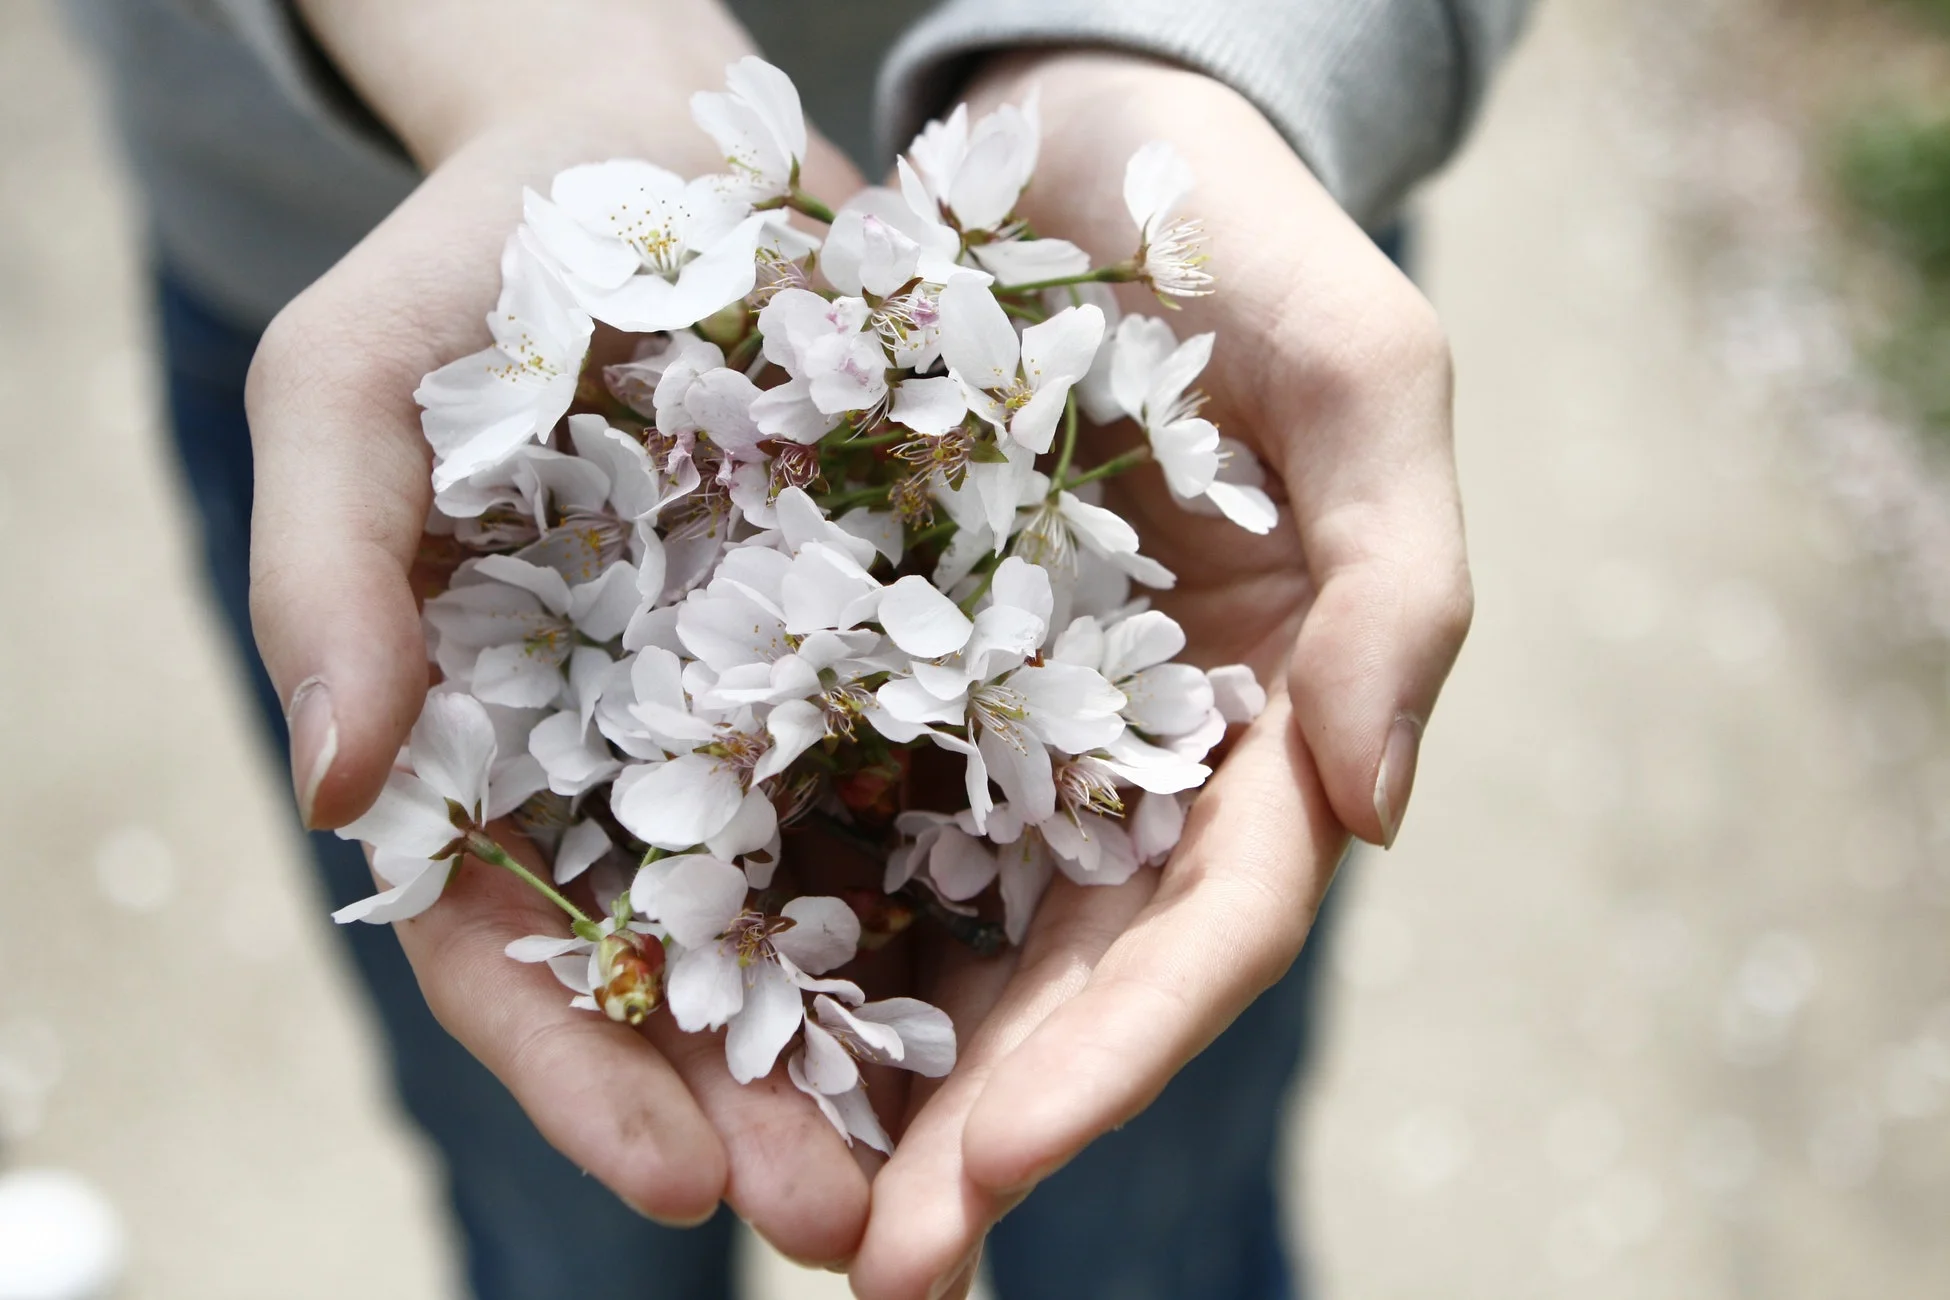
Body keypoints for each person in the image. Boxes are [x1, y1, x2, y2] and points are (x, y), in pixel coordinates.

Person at [65, 1, 1523, 1296]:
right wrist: (549, 51)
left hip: (1179, 166)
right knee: (566, 1225)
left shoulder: (1060, 389)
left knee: (1151, 1222)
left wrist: (1214, 61)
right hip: (332, 234)